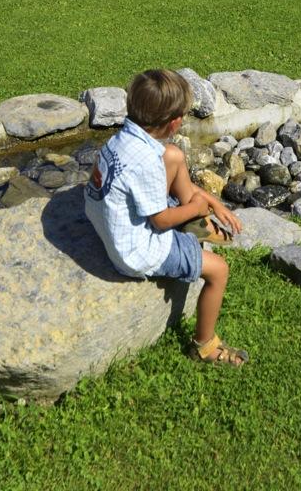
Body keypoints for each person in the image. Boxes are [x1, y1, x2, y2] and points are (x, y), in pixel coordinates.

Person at [83, 69, 246, 367]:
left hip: (111, 218)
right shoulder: (146, 162)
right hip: (136, 250)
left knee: (173, 155)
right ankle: (205, 346)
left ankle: (193, 224)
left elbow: (162, 166)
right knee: (219, 270)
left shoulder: (123, 139)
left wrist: (211, 202)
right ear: (175, 122)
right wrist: (198, 209)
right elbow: (159, 221)